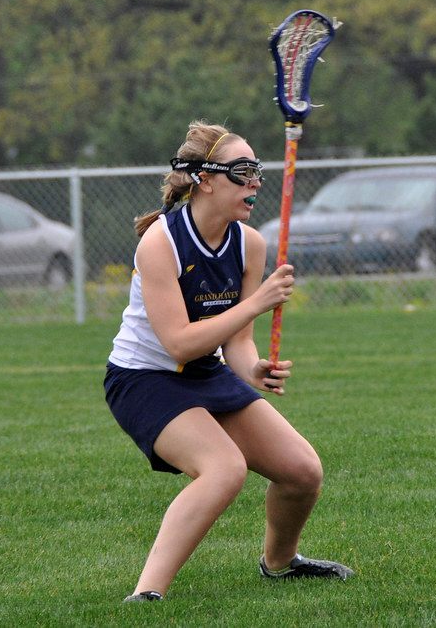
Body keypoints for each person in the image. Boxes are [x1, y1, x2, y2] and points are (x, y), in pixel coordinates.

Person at [104, 121, 353, 603]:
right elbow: (178, 343)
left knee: (303, 472)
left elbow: (237, 342)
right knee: (224, 469)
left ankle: (280, 564)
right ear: (205, 178)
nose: (256, 182)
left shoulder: (249, 243)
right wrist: (257, 302)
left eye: (257, 170)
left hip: (205, 373)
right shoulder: (160, 243)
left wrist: (253, 368)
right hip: (144, 380)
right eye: (243, 171)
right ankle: (147, 593)